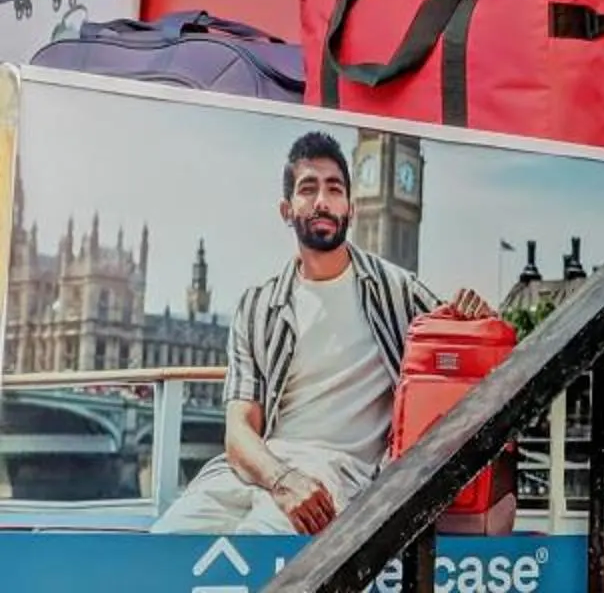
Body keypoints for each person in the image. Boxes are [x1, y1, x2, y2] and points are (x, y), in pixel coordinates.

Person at [152, 130, 492, 536]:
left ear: (352, 207)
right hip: (261, 471)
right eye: (308, 188)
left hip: (337, 477)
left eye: (334, 189)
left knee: (257, 544)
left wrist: (476, 318)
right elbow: (239, 430)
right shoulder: (259, 305)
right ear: (286, 209)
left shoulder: (398, 292)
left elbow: (463, 351)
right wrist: (280, 480)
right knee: (168, 542)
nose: (322, 202)